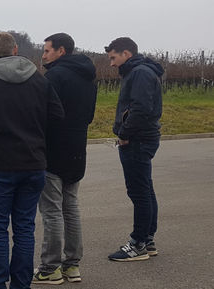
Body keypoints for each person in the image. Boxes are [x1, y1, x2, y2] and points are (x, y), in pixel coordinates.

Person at [0, 32, 63, 289]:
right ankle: (21, 284)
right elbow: (57, 117)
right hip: (33, 165)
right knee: (24, 229)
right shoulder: (38, 80)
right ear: (16, 50)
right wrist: (41, 146)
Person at [32, 33, 96, 284]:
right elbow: (89, 116)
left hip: (53, 150)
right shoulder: (89, 78)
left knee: (51, 211)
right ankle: (72, 265)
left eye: (47, 51)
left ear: (61, 51)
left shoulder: (54, 77)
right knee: (71, 208)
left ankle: (50, 268)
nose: (43, 55)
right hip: (78, 149)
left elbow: (43, 115)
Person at [104, 37, 164, 262]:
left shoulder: (139, 73)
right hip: (142, 138)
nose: (111, 63)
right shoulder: (141, 71)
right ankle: (147, 240)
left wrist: (125, 134)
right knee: (145, 190)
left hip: (137, 140)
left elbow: (140, 107)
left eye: (113, 57)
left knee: (139, 192)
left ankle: (138, 243)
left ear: (126, 53)